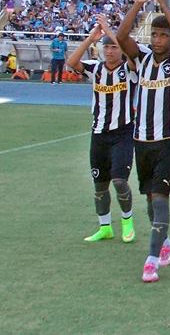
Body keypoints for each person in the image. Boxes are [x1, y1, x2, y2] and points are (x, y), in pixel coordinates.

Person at [116, 0, 170, 283]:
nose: (158, 39)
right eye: (155, 33)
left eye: (164, 35)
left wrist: (163, 3)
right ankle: (164, 243)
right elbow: (122, 37)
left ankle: (151, 260)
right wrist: (139, 3)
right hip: (141, 140)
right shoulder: (143, 59)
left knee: (160, 197)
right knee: (149, 197)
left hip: (167, 141)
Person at [66, 14, 138, 245]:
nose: (109, 52)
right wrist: (91, 38)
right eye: (106, 48)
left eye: (113, 48)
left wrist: (109, 30)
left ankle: (127, 222)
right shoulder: (95, 69)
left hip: (123, 134)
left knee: (119, 181)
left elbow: (129, 53)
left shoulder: (129, 70)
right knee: (100, 186)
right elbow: (71, 62)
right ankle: (105, 226)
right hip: (99, 135)